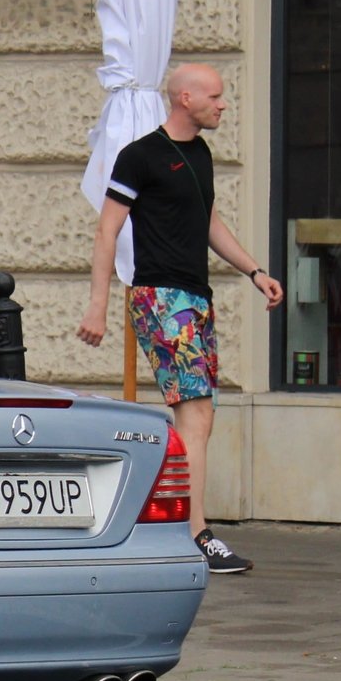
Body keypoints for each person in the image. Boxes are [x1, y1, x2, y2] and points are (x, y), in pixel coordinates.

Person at [76, 63, 284, 574]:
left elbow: (208, 219)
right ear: (184, 98)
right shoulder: (140, 156)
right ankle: (195, 535)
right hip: (162, 298)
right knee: (196, 414)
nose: (223, 104)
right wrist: (99, 304)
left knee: (198, 416)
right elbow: (107, 231)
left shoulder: (200, 154)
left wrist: (255, 270)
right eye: (214, 96)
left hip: (194, 297)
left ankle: (179, 527)